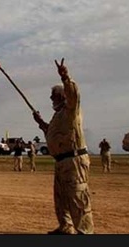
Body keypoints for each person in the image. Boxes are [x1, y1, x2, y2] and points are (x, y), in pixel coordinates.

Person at [32, 58, 94, 235]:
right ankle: (66, 227)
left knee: (78, 197)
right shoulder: (58, 116)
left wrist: (65, 78)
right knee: (61, 198)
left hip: (74, 161)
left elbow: (74, 94)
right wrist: (41, 123)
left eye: (54, 95)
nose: (51, 99)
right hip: (61, 162)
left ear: (62, 96)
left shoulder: (71, 109)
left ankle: (85, 231)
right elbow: (53, 135)